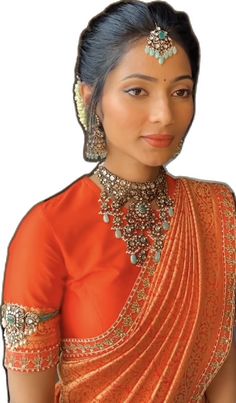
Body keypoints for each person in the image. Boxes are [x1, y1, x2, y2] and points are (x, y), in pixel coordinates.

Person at [1, 0, 236, 402]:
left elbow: (223, 374)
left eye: (181, 91)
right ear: (90, 97)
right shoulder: (48, 230)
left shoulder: (215, 211)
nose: (164, 114)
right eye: (137, 91)